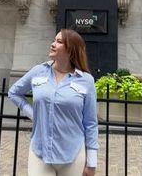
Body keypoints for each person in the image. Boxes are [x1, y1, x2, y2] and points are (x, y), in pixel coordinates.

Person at [8, 28, 99, 176]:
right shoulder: (38, 71)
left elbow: (90, 123)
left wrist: (92, 163)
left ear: (71, 50)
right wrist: (33, 114)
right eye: (54, 40)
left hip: (73, 154)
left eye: (59, 42)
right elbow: (14, 93)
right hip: (40, 152)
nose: (52, 44)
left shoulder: (86, 80)